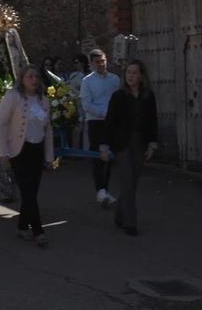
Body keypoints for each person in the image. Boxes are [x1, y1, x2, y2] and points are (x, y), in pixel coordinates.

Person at [0, 65, 55, 247]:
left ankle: (21, 226)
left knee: (31, 192)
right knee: (28, 192)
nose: (34, 80)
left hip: (37, 150)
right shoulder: (13, 97)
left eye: (36, 77)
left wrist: (50, 157)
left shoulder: (44, 100)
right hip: (18, 150)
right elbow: (0, 124)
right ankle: (38, 230)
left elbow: (48, 130)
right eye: (30, 76)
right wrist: (2, 153)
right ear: (22, 79)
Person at [99, 60, 158, 237]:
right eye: (128, 73)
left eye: (134, 73)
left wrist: (152, 144)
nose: (131, 76)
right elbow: (109, 122)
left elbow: (153, 121)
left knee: (133, 182)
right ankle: (130, 223)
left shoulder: (148, 96)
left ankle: (119, 214)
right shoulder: (118, 96)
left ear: (141, 75)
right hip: (122, 143)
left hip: (140, 142)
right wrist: (104, 146)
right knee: (127, 181)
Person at [80, 49, 121, 206]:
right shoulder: (87, 81)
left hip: (111, 123)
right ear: (91, 64)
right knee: (98, 156)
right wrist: (104, 113)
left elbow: (118, 99)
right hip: (96, 122)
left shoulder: (114, 79)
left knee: (109, 156)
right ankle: (100, 190)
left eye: (103, 61)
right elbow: (86, 105)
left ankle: (104, 189)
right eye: (97, 62)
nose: (101, 64)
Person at [67, 54, 90, 149]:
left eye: (77, 62)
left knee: (86, 130)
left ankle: (86, 150)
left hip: (86, 104)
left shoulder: (89, 76)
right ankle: (75, 150)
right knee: (76, 129)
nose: (75, 65)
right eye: (74, 63)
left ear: (83, 63)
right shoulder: (73, 75)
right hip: (74, 104)